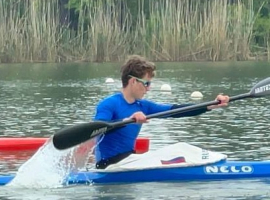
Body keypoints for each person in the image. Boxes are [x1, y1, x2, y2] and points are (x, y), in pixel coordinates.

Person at [93, 55, 229, 168]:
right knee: (178, 150)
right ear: (133, 81)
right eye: (146, 83)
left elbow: (176, 110)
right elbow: (98, 127)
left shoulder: (143, 106)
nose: (148, 88)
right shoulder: (109, 104)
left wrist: (211, 105)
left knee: (179, 149)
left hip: (129, 161)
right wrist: (127, 120)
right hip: (109, 166)